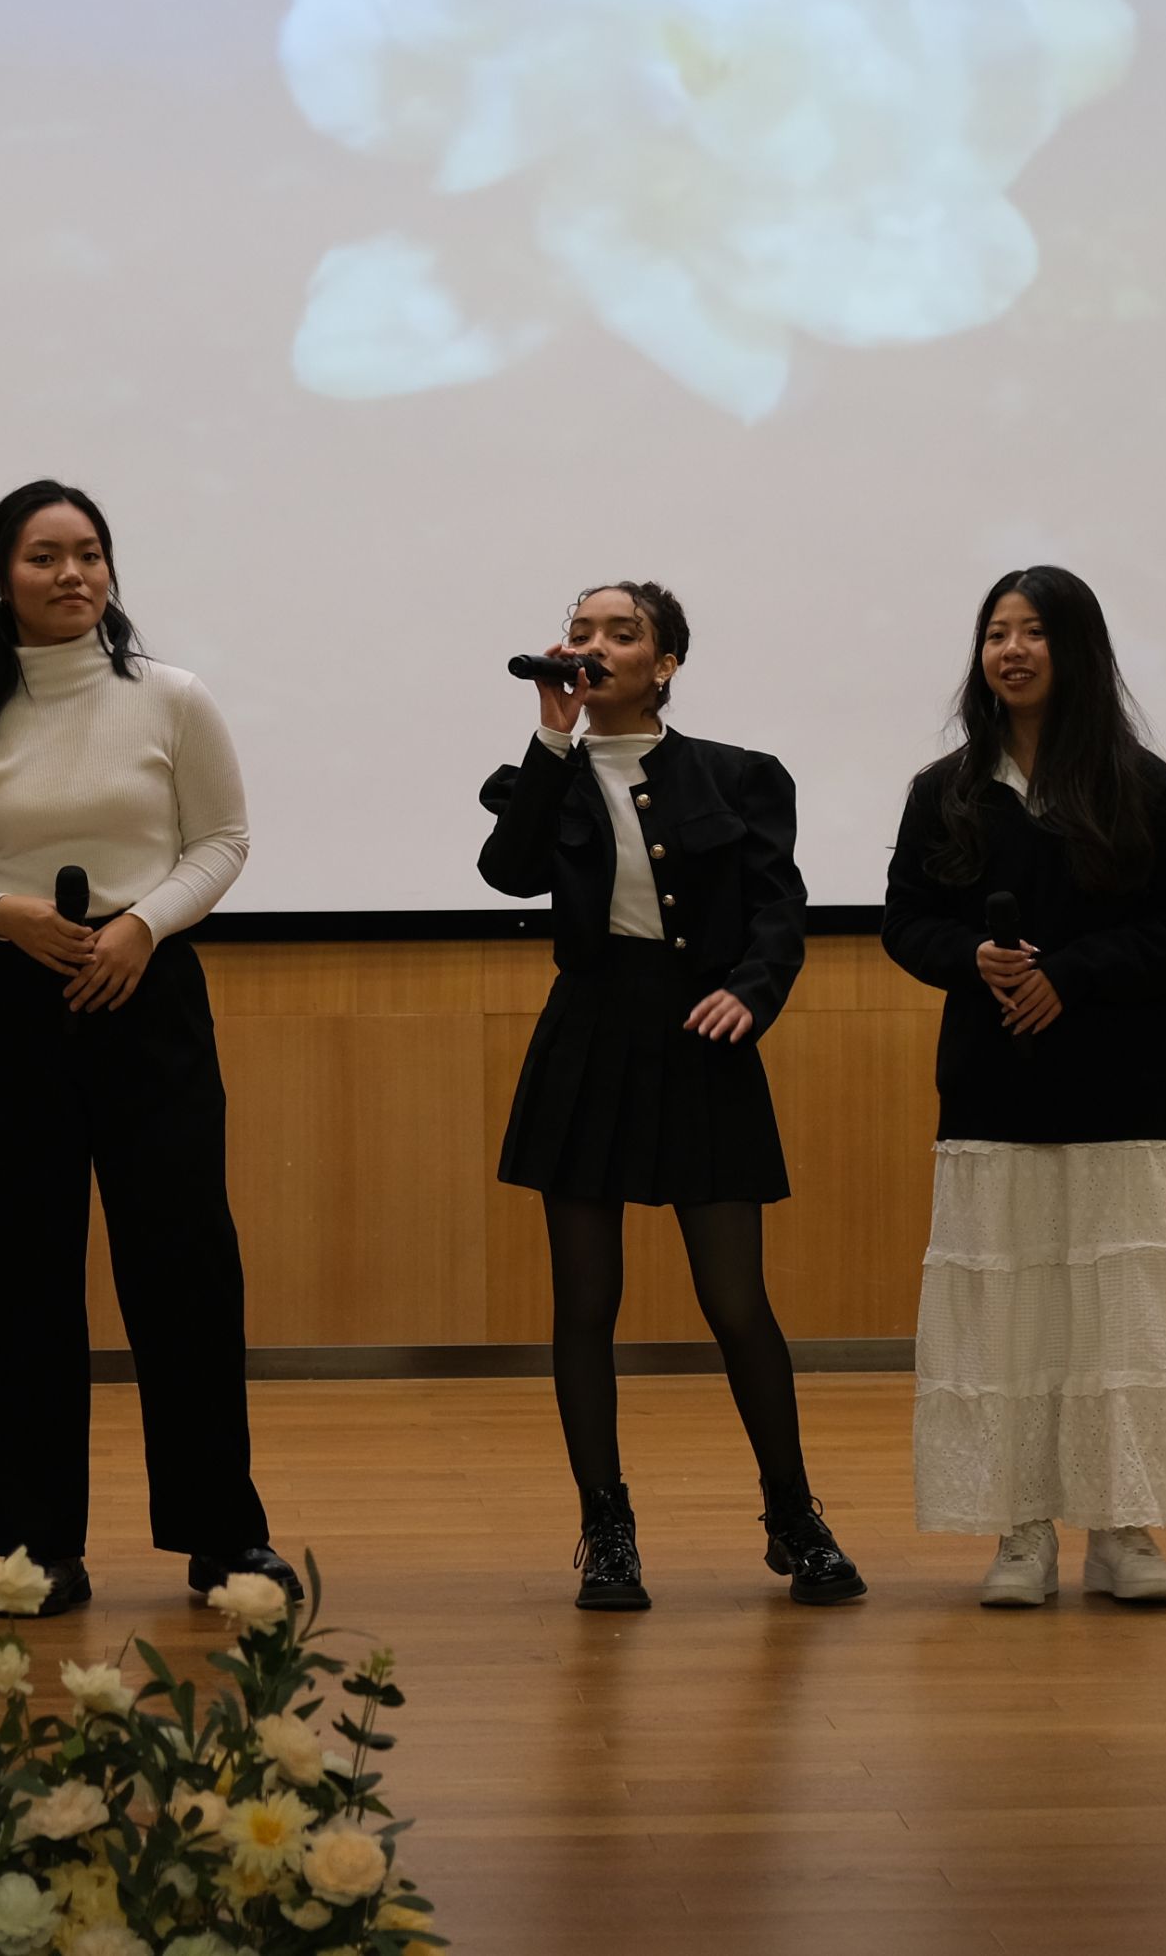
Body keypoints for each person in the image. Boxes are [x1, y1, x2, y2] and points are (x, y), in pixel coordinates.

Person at [0, 479, 299, 1619]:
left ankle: (224, 1537)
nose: (70, 574)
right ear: (1, 579)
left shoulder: (171, 699)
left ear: (111, 570)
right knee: (19, 1280)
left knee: (185, 1271)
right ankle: (30, 1550)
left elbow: (222, 842)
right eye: (43, 556)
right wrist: (3, 915)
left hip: (147, 993)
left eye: (88, 553)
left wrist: (142, 925)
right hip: (12, 1012)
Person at [480, 582, 863, 1611]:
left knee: (737, 1301)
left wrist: (754, 991)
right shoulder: (543, 776)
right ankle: (607, 1530)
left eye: (622, 633)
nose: (594, 645)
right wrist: (551, 737)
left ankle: (793, 1517)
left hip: (703, 1038)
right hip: (588, 1041)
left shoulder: (740, 776)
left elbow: (779, 908)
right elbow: (509, 874)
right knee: (585, 1303)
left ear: (665, 664)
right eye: (581, 631)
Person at [879, 565, 1166, 1609]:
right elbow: (906, 923)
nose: (1012, 650)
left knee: (1123, 1321)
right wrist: (971, 960)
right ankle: (1020, 1533)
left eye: (1033, 631)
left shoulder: (1145, 788)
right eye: (997, 632)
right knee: (1007, 1323)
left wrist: (1070, 977)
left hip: (1124, 1089)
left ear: (1076, 650)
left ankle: (1124, 1530)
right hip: (996, 1090)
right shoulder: (944, 791)